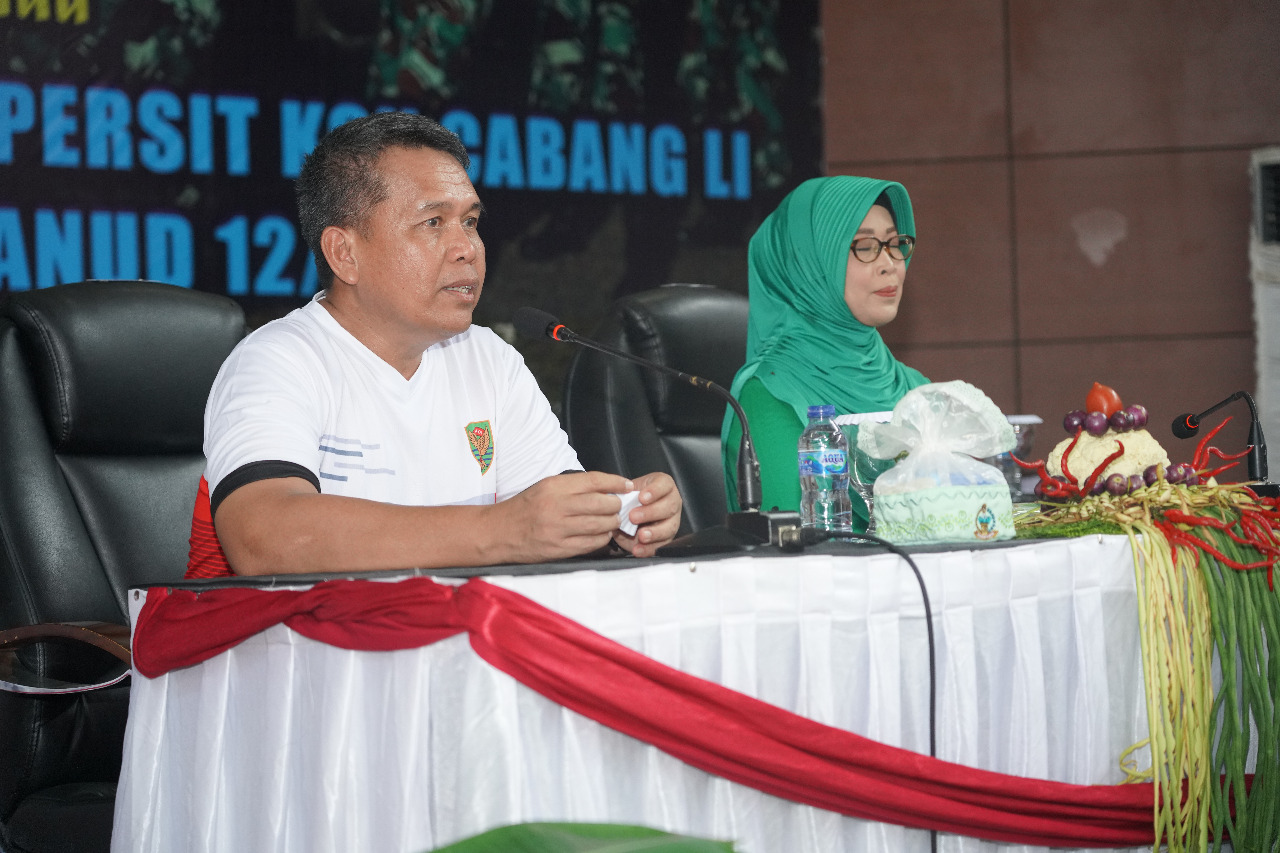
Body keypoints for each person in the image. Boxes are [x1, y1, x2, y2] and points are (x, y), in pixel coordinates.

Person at [186, 112, 682, 578]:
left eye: (470, 222)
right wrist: (500, 531)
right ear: (344, 253)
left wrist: (620, 523)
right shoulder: (277, 361)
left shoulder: (488, 359)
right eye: (433, 223)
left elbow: (550, 524)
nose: (468, 248)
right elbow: (265, 539)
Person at [719, 175, 928, 529]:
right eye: (865, 246)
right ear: (809, 263)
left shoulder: (916, 388)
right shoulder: (769, 396)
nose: (890, 263)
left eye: (896, 243)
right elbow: (795, 548)